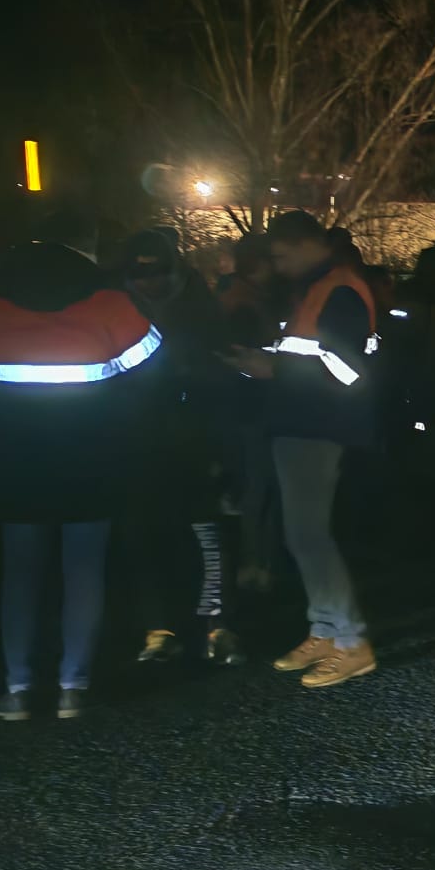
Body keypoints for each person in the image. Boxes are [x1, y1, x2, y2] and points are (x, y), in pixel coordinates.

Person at [0, 207, 164, 721]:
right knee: (83, 570)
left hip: (16, 460)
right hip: (90, 457)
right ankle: (72, 688)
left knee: (20, 573)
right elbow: (151, 370)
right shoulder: (112, 303)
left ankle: (16, 688)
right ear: (88, 246)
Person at [226, 210, 377, 689]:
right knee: (302, 536)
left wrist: (273, 369)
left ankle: (350, 641)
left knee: (310, 536)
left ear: (305, 244)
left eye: (280, 255)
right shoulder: (318, 288)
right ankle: (327, 630)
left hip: (317, 427)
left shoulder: (338, 290)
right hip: (301, 424)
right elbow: (311, 356)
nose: (276, 265)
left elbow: (349, 370)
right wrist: (265, 362)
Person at [122, 228, 242, 667]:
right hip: (139, 437)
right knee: (145, 534)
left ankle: (216, 625)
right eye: (140, 276)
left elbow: (220, 371)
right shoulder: (120, 306)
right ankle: (159, 629)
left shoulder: (199, 306)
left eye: (158, 275)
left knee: (205, 533)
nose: (150, 283)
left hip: (196, 436)